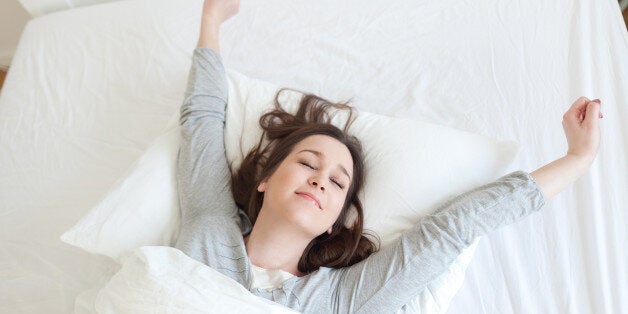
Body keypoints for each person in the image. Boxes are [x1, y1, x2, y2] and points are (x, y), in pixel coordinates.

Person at [174, 0, 603, 312]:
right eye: (307, 162)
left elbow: (455, 228)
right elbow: (203, 120)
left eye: (338, 182)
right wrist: (211, 19)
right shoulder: (209, 226)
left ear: (334, 221)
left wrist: (577, 159)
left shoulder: (343, 299)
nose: (321, 179)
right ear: (265, 179)